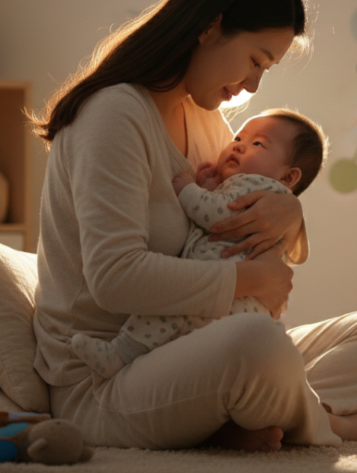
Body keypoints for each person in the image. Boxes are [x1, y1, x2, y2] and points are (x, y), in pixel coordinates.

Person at [28, 0, 357, 452]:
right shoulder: (113, 116)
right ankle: (333, 424)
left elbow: (242, 205)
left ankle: (254, 412)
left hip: (196, 344)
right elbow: (114, 278)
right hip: (110, 373)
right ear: (210, 27)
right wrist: (249, 280)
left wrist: (292, 209)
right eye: (256, 61)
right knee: (257, 345)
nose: (253, 85)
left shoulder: (206, 122)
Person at [71, 108, 328, 378]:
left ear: (289, 177)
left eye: (257, 144)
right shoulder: (255, 188)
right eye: (239, 138)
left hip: (223, 300)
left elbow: (216, 215)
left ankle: (119, 354)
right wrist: (211, 186)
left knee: (159, 316)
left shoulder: (254, 185)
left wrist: (189, 190)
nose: (238, 146)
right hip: (242, 306)